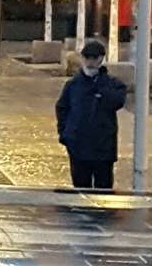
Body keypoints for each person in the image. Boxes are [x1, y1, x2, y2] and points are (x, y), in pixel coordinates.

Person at [55, 38, 128, 189]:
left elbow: (117, 102)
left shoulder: (112, 84)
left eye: (94, 58)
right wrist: (65, 134)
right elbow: (62, 108)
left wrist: (100, 87)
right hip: (78, 146)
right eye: (87, 57)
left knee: (103, 188)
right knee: (80, 187)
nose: (90, 62)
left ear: (101, 58)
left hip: (103, 147)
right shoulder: (73, 85)